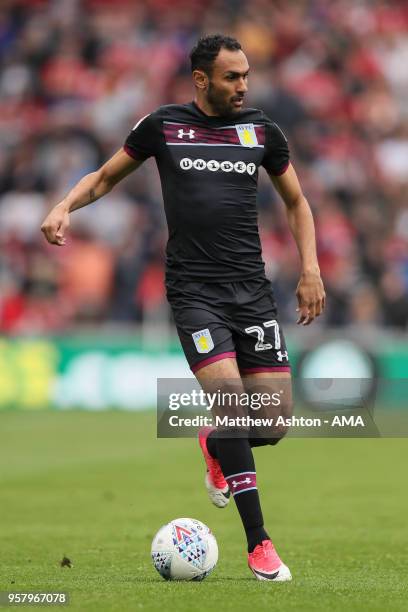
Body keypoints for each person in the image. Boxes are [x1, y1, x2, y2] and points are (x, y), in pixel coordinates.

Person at [41, 34, 325, 582]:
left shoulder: (263, 131)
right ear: (202, 80)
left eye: (246, 75)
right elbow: (102, 178)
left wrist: (310, 268)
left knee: (271, 425)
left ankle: (214, 442)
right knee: (236, 411)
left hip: (253, 291)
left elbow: (297, 201)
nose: (243, 85)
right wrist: (64, 205)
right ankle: (259, 544)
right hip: (195, 294)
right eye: (232, 77)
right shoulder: (162, 126)